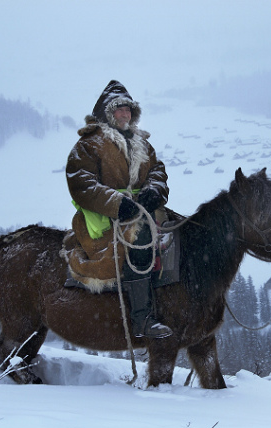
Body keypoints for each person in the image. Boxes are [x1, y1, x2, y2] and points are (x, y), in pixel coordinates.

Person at [63, 80, 172, 338]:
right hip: (104, 214)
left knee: (181, 229)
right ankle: (141, 319)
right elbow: (81, 182)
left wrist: (154, 192)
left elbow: (157, 171)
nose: (125, 114)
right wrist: (117, 204)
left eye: (128, 110)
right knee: (140, 240)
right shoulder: (89, 144)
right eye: (119, 110)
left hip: (143, 209)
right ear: (106, 114)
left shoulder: (142, 143)